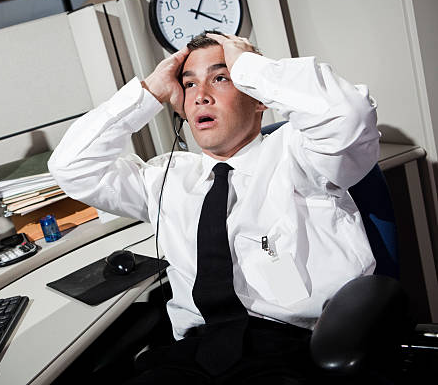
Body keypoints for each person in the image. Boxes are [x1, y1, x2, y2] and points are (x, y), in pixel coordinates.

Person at [48, 31, 380, 383]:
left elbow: (350, 116)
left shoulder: (300, 155)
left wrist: (252, 68)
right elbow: (70, 167)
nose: (201, 96)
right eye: (190, 85)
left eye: (221, 78)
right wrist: (149, 92)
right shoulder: (165, 177)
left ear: (258, 99)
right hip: (188, 358)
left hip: (290, 350)